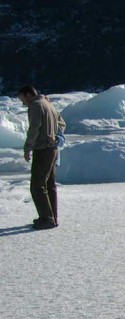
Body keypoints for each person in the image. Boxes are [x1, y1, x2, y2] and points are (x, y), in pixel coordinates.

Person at [18, 85, 65, 230]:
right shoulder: (48, 103)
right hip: (53, 149)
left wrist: (28, 148)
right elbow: (62, 123)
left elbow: (34, 127)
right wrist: (57, 137)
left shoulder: (36, 105)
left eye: (22, 99)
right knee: (49, 185)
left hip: (43, 149)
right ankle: (52, 218)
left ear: (27, 95)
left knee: (37, 186)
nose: (22, 102)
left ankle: (46, 219)